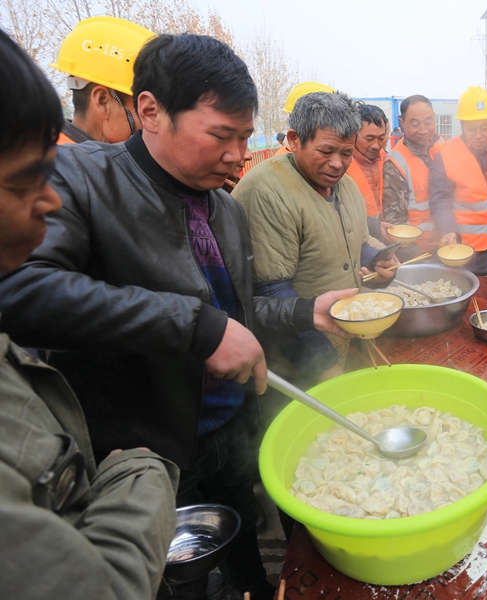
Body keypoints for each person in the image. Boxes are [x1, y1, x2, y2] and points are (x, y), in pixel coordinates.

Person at [0, 33, 356, 600]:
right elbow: (20, 288)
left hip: (231, 429)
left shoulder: (225, 209)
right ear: (150, 111)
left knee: (246, 560)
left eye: (244, 136)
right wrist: (192, 325)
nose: (239, 154)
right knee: (169, 582)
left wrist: (304, 310)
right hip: (144, 451)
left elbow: (236, 318)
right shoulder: (80, 180)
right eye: (221, 135)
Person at [0, 28, 178, 600]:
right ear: (108, 99)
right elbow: (32, 291)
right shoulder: (83, 175)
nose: (47, 198)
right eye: (30, 179)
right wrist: (138, 473)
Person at [233, 91, 397, 373]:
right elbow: (272, 291)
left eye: (346, 153)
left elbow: (354, 243)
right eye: (326, 151)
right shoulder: (267, 191)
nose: (337, 164)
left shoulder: (346, 186)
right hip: (295, 358)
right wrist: (324, 362)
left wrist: (375, 260)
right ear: (294, 139)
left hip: (342, 338)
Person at [429, 86, 487, 275]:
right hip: (467, 246)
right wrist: (448, 230)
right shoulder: (446, 154)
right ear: (462, 126)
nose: (479, 135)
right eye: (472, 129)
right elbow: (440, 200)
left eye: (485, 128)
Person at [51, 16, 154, 144]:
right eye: (144, 111)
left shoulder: (69, 154)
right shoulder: (52, 161)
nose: (150, 125)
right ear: (103, 102)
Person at [382, 95, 445, 255]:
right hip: (420, 252)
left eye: (428, 122)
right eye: (415, 124)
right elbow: (395, 221)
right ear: (402, 123)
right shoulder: (396, 163)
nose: (423, 130)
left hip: (448, 245)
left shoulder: (442, 145)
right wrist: (417, 258)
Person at [346, 103, 391, 241]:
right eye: (369, 139)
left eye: (381, 138)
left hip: (386, 234)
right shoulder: (341, 166)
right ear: (354, 135)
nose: (376, 145)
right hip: (357, 239)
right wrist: (373, 225)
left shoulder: (387, 160)